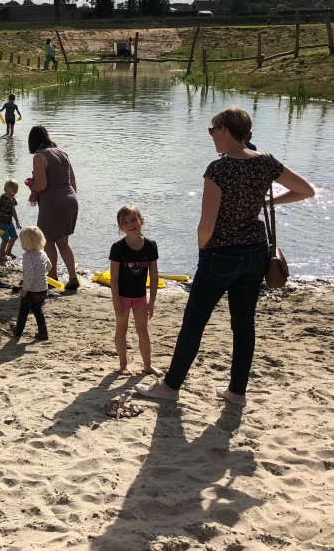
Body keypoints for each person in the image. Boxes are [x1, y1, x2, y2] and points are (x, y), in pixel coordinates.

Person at [135, 107, 314, 406]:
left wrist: (202, 249)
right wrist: (269, 200)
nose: (211, 136)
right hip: (256, 252)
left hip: (220, 254)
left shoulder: (219, 169)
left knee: (194, 322)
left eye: (212, 130)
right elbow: (306, 190)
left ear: (225, 130)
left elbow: (207, 223)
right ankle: (237, 393)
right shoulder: (266, 163)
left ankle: (170, 386)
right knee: (244, 325)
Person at [109, 205, 162, 377]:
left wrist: (152, 301)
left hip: (140, 298)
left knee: (142, 331)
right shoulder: (118, 248)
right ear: (121, 228)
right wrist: (116, 301)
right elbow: (114, 278)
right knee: (121, 330)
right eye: (125, 222)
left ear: (141, 220)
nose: (130, 224)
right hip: (122, 297)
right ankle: (123, 365)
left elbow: (154, 277)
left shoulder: (150, 246)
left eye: (133, 219)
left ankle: (147, 365)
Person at [26, 125, 79, 292]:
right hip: (70, 199)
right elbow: (73, 181)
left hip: (53, 202)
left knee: (47, 241)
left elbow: (42, 184)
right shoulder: (62, 152)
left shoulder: (39, 156)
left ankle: (53, 276)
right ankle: (73, 277)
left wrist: (31, 186)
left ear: (33, 141)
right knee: (63, 242)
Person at [14, 226, 50, 341]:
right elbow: (49, 266)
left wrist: (25, 288)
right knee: (38, 310)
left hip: (31, 290)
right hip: (43, 288)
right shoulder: (42, 254)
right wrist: (43, 274)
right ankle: (43, 332)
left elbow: (29, 273)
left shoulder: (27, 256)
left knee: (23, 312)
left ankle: (18, 331)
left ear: (26, 243)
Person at [0, 179, 21, 262]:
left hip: (10, 223)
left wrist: (17, 221)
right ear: (5, 190)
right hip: (1, 223)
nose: (12, 195)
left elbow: (13, 211)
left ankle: (8, 252)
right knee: (5, 239)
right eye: (10, 193)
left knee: (14, 237)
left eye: (14, 194)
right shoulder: (0, 199)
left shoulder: (12, 199)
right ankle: (1, 255)